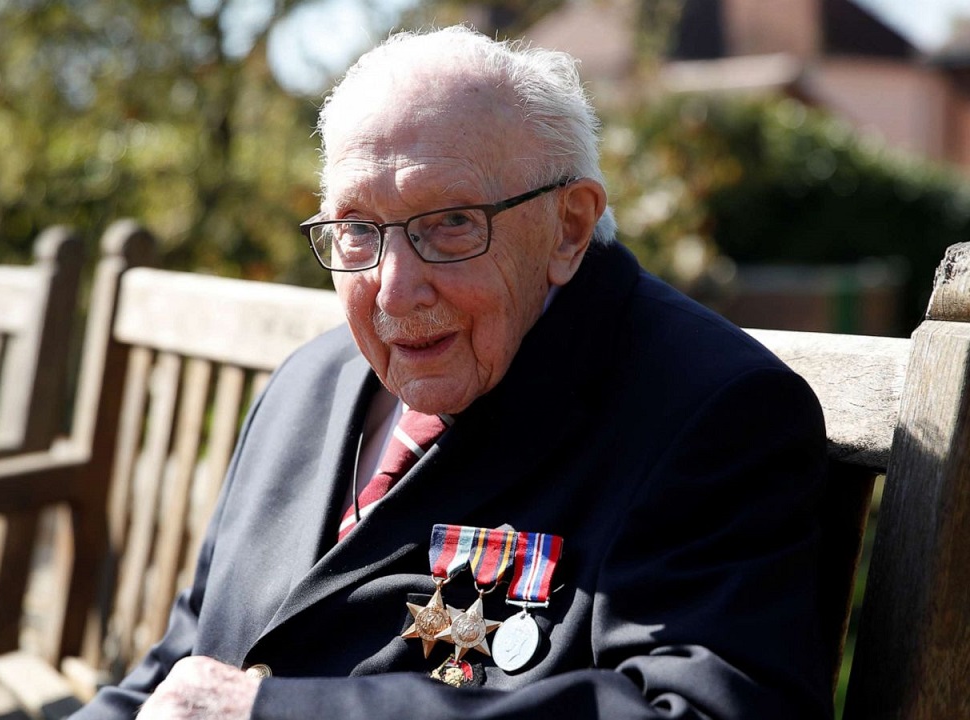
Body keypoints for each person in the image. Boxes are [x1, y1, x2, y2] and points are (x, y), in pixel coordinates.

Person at [71, 25, 831, 720]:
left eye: (451, 223)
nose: (394, 290)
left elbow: (703, 711)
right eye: (357, 229)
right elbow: (179, 668)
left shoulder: (713, 411)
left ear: (569, 226)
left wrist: (273, 714)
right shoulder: (306, 383)